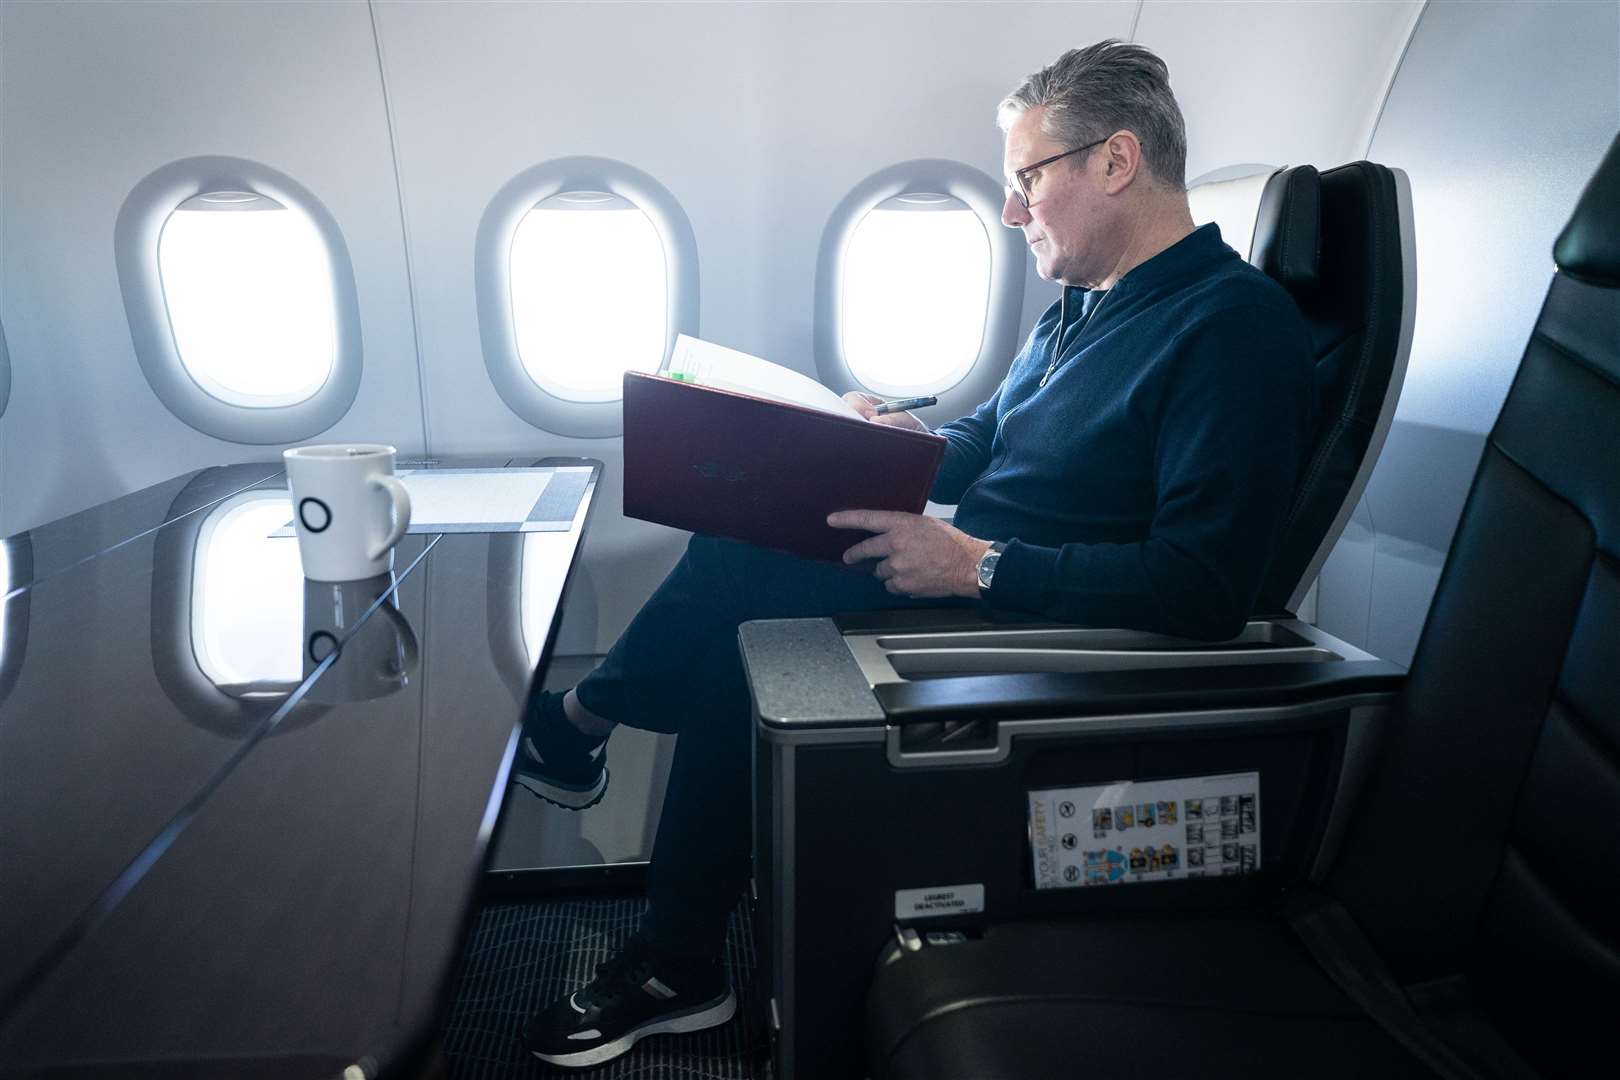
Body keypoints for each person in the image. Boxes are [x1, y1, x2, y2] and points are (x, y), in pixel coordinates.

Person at [517, 39, 1316, 1068]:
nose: (1014, 213)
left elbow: (1208, 585)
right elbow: (992, 438)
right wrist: (894, 441)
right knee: (746, 547)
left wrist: (974, 565)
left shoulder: (1233, 330)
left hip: (1036, 620)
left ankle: (599, 779)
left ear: (1116, 163)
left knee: (744, 578)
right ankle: (659, 913)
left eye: (1029, 179)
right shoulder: (1083, 305)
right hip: (976, 571)